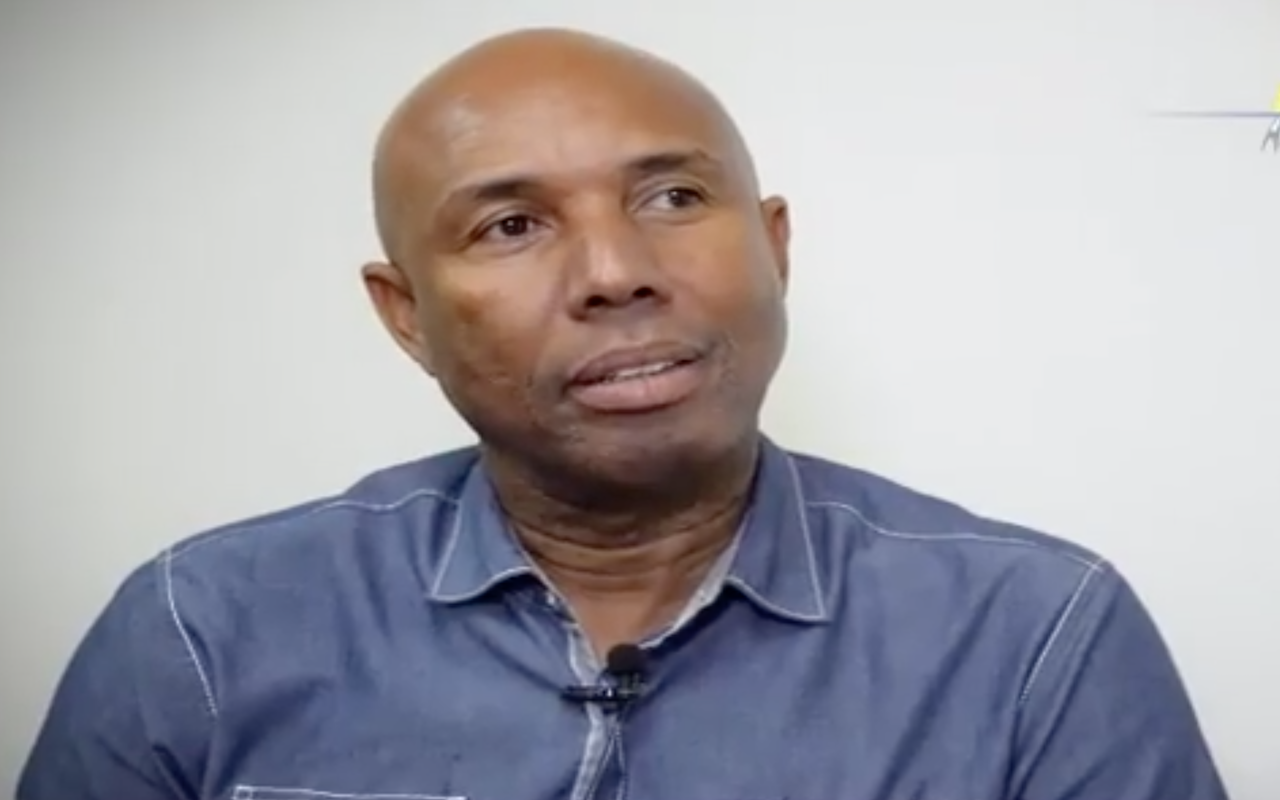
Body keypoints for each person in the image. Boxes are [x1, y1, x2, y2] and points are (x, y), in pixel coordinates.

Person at [18, 27, 1230, 800]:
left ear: (773, 248)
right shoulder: (203, 629)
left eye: (671, 197)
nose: (613, 271)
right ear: (406, 314)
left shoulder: (1032, 636)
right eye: (510, 224)